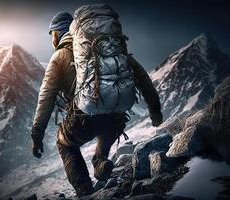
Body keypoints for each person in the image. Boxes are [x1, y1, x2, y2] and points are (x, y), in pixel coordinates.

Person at [31, 11, 163, 197]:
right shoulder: (109, 49)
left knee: (65, 143)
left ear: (59, 33)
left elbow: (46, 97)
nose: (52, 41)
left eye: (52, 35)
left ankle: (85, 192)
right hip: (115, 118)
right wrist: (155, 110)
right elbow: (142, 77)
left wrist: (37, 135)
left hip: (83, 120)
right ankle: (100, 162)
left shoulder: (59, 56)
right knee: (106, 127)